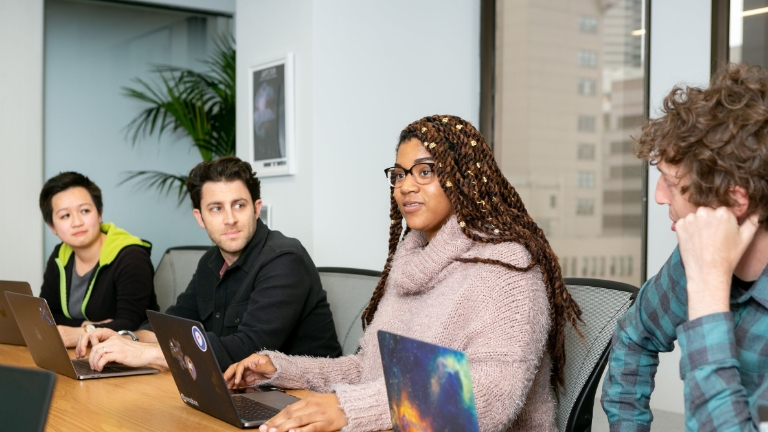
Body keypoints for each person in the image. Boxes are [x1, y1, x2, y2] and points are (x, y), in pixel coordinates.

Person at [223, 115, 583, 432]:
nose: (405, 186)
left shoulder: (506, 267)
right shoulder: (410, 263)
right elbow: (369, 370)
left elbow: (491, 397)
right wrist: (281, 370)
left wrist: (351, 409)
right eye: (399, 175)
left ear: (464, 179)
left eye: (425, 171)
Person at [601, 63, 768, 431]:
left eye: (672, 183)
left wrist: (708, 290)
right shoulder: (693, 256)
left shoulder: (702, 264)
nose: (660, 197)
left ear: (736, 200)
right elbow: (634, 337)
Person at [76, 156, 341, 371]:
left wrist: (145, 353)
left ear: (256, 208)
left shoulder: (284, 259)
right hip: (241, 392)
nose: (230, 219)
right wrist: (128, 338)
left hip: (303, 399)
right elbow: (174, 323)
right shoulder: (211, 261)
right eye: (216, 208)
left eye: (239, 205)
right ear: (200, 217)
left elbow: (248, 350)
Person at [39, 172, 158, 348]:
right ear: (52, 227)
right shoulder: (60, 255)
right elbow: (47, 315)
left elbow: (130, 324)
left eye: (85, 211)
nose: (77, 222)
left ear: (100, 214)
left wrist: (82, 333)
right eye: (65, 215)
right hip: (83, 352)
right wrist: (85, 325)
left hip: (134, 356)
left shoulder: (131, 256)